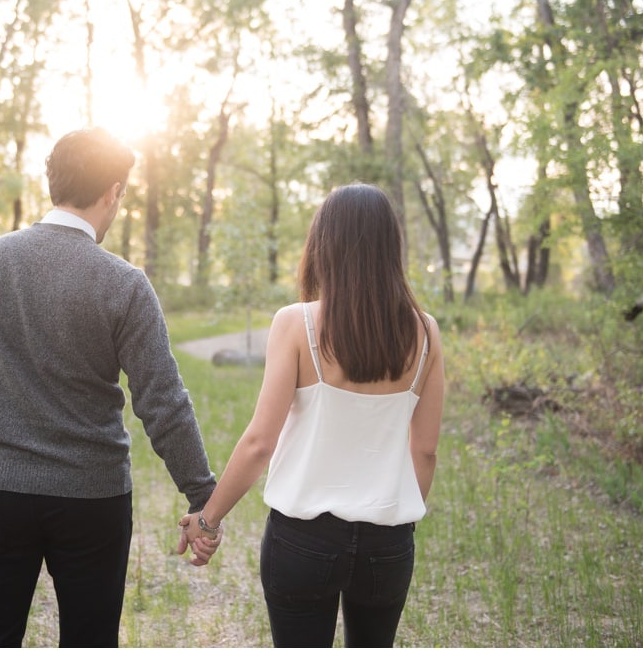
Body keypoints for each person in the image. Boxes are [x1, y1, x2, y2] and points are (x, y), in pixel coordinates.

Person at [0, 126, 219, 648]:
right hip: (92, 499)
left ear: (53, 183)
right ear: (113, 192)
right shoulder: (124, 283)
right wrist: (201, 495)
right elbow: (163, 402)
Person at [178, 183, 445, 648]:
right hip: (389, 541)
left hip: (303, 541)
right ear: (390, 247)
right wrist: (393, 521)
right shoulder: (426, 332)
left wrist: (208, 519)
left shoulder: (296, 323)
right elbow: (425, 451)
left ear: (325, 245)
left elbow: (261, 441)